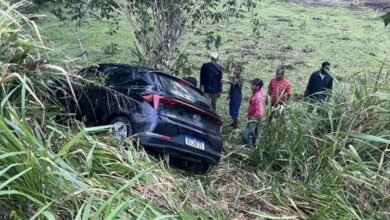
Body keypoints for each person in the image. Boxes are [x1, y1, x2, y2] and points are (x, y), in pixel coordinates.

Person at [242, 78, 266, 146]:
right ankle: (255, 145)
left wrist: (253, 118)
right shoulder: (256, 92)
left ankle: (248, 148)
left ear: (257, 87)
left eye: (253, 85)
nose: (251, 86)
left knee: (246, 135)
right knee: (255, 133)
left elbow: (260, 112)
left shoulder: (258, 97)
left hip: (254, 118)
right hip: (253, 117)